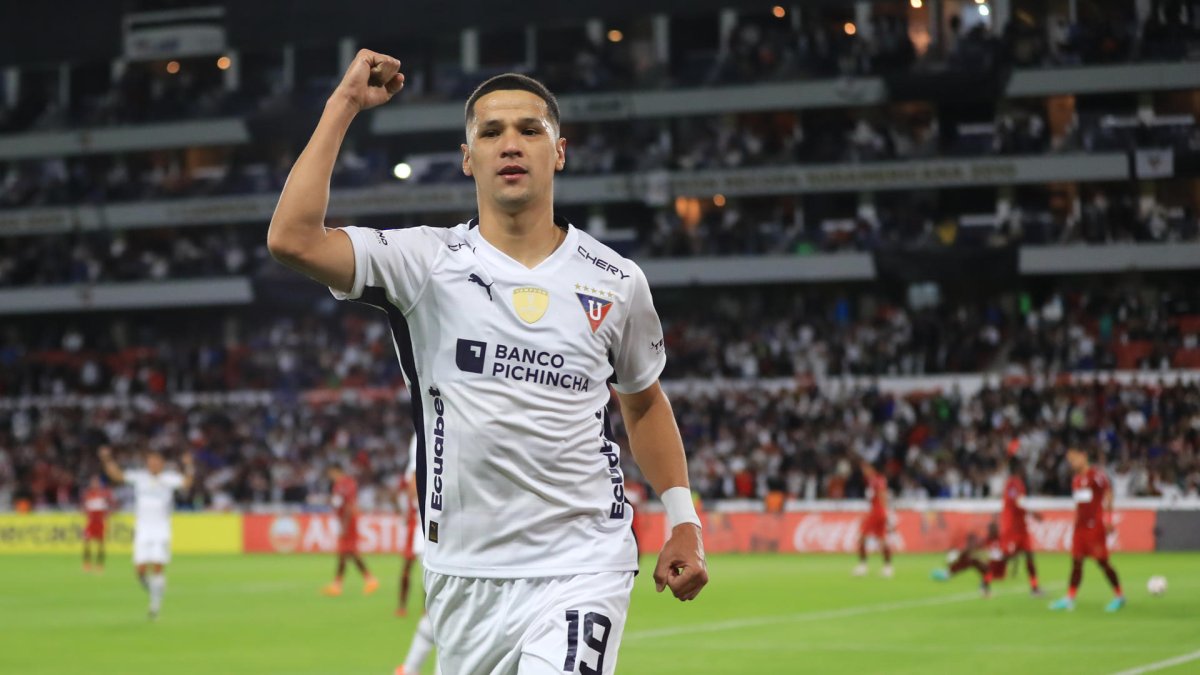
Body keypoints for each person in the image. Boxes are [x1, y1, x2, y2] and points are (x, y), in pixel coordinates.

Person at [268, 51, 707, 675]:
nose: (511, 143)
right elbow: (292, 239)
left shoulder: (617, 281)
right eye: (490, 131)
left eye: (531, 130)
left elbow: (642, 401)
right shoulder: (424, 262)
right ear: (467, 158)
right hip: (463, 577)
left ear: (559, 152)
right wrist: (343, 106)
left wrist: (683, 519)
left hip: (582, 562)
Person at [97, 445, 194, 619]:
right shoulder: (140, 477)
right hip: (142, 528)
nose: (153, 464)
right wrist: (107, 459)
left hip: (161, 529)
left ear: (162, 464)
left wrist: (189, 465)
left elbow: (187, 482)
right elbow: (116, 475)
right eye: (150, 461)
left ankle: (155, 605)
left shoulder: (169, 478)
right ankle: (155, 591)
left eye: (156, 461)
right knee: (140, 570)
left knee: (157, 565)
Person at [1050, 447, 1125, 612]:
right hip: (1080, 528)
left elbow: (1108, 494)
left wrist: (1109, 519)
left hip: (1095, 527)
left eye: (1074, 459)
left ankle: (1119, 596)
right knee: (1076, 562)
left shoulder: (1096, 475)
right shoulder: (1076, 479)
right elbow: (1080, 504)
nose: (1072, 463)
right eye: (1070, 460)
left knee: (1102, 562)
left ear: (1083, 456)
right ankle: (1070, 598)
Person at [321, 464, 379, 596]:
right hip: (345, 521)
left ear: (336, 471)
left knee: (349, 551)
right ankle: (339, 584)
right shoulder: (341, 485)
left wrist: (345, 525)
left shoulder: (345, 484)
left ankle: (367, 579)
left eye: (331, 473)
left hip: (349, 522)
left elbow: (348, 505)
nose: (330, 477)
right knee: (346, 553)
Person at [1000, 456, 1042, 596]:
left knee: (1029, 555)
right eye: (1022, 466)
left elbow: (1019, 502)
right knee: (1006, 556)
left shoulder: (1016, 483)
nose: (1025, 469)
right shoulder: (1013, 483)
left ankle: (1035, 588)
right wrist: (1033, 513)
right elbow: (1018, 502)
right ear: (1017, 468)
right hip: (1012, 527)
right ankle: (986, 580)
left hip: (1020, 527)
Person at [931, 521, 1007, 597]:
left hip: (994, 563)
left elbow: (1001, 552)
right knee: (971, 560)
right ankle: (948, 573)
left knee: (985, 569)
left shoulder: (1000, 539)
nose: (990, 531)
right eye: (989, 529)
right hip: (985, 561)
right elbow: (975, 548)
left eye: (991, 529)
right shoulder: (985, 540)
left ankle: (984, 586)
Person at [853, 460, 894, 578]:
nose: (863, 471)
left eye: (865, 468)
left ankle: (863, 566)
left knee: (862, 538)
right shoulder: (872, 481)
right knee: (881, 540)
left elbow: (883, 495)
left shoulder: (878, 480)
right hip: (877, 512)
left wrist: (887, 513)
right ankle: (887, 567)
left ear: (872, 468)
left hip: (877, 513)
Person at [81, 475, 113, 573]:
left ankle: (100, 564)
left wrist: (107, 513)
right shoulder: (88, 494)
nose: (95, 484)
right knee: (87, 543)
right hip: (90, 522)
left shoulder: (104, 494)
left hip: (100, 522)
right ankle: (87, 563)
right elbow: (83, 507)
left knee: (100, 545)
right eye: (93, 482)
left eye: (96, 482)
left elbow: (111, 505)